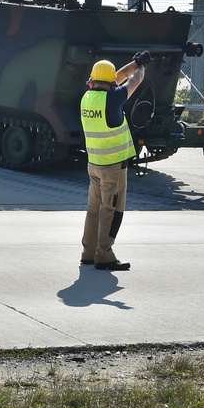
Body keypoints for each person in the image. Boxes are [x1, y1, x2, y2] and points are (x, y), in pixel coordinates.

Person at [79, 50, 151, 271]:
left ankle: (89, 252)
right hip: (113, 167)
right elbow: (134, 80)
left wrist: (133, 62)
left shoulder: (88, 97)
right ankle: (105, 255)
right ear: (110, 83)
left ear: (92, 80)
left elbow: (115, 79)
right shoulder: (113, 98)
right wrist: (141, 66)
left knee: (93, 208)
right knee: (111, 210)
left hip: (94, 164)